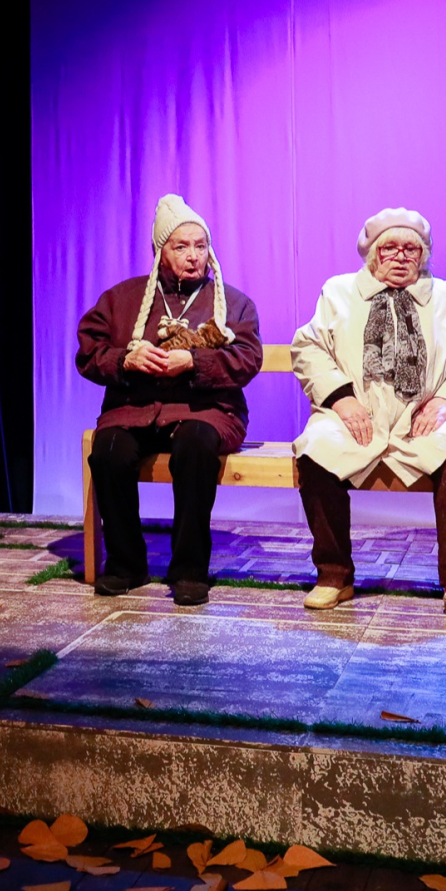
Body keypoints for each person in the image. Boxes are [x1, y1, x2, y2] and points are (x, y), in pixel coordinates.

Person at [291, 208, 446, 625]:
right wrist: (341, 399)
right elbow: (309, 348)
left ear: (423, 255)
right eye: (389, 248)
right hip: (354, 415)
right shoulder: (338, 292)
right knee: (315, 451)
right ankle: (334, 574)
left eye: (411, 249)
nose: (400, 257)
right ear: (372, 254)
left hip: (420, 419)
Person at [76, 194, 263, 606]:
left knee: (195, 446)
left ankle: (189, 570)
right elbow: (88, 354)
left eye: (201, 246)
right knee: (109, 450)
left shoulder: (232, 303)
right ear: (161, 251)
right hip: (135, 409)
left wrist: (194, 361)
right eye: (181, 246)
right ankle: (127, 564)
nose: (194, 256)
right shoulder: (122, 299)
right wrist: (125, 359)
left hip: (208, 412)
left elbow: (248, 359)